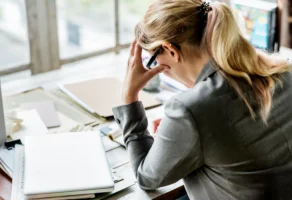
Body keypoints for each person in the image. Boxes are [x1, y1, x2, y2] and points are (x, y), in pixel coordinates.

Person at [112, 0, 292, 199]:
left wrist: (129, 98)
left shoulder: (190, 108)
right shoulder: (281, 70)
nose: (155, 69)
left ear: (171, 50)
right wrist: (189, 131)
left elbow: (147, 178)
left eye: (153, 61)